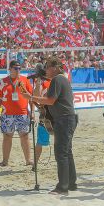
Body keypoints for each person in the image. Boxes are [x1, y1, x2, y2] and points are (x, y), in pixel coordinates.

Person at [21, 57, 78, 195]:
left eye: (47, 67)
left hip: (63, 120)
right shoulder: (62, 79)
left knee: (61, 153)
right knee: (66, 152)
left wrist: (31, 98)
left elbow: (50, 100)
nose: (45, 69)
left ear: (55, 67)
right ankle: (71, 183)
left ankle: (62, 187)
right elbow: (52, 101)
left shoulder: (57, 80)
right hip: (67, 118)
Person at [0, 60, 33, 167]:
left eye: (20, 68)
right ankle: (5, 161)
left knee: (24, 136)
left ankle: (28, 160)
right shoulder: (3, 82)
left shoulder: (24, 80)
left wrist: (32, 112)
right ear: (10, 69)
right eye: (15, 68)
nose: (18, 70)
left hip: (23, 113)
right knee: (7, 137)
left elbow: (31, 98)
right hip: (7, 115)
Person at [32, 77, 51, 171]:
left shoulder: (58, 79)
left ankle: (63, 162)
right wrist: (38, 83)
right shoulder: (43, 82)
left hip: (57, 114)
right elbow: (35, 98)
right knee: (40, 142)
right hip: (45, 116)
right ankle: (35, 164)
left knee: (60, 141)